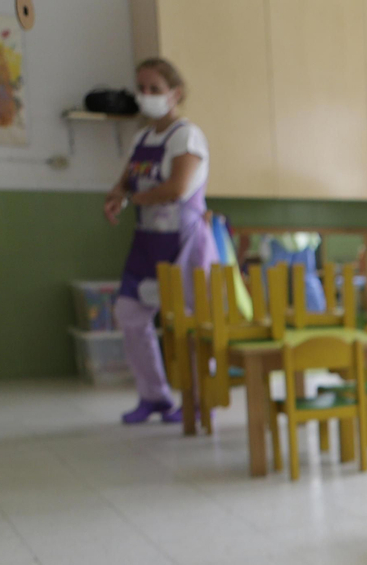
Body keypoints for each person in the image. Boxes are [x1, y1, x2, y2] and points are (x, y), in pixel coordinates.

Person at [103, 57, 216, 424]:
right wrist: (116, 196)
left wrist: (136, 198)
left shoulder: (187, 136)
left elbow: (177, 188)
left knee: (191, 324)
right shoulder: (141, 138)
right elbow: (125, 181)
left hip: (184, 244)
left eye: (155, 88)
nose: (146, 95)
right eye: (141, 88)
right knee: (129, 314)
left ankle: (198, 399)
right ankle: (154, 396)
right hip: (146, 244)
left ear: (175, 93)